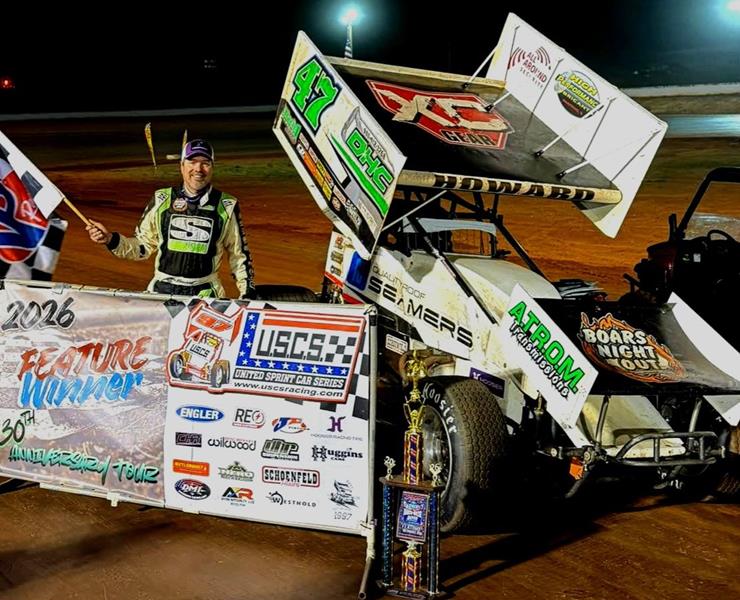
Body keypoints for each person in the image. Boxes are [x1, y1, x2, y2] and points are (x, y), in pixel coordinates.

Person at [87, 139, 256, 299]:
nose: (198, 169)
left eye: (205, 163)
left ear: (212, 167)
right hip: (162, 290)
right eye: (192, 162)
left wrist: (247, 294)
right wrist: (109, 239)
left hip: (206, 294)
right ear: (182, 166)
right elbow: (142, 247)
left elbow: (239, 255)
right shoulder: (162, 199)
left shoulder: (227, 205)